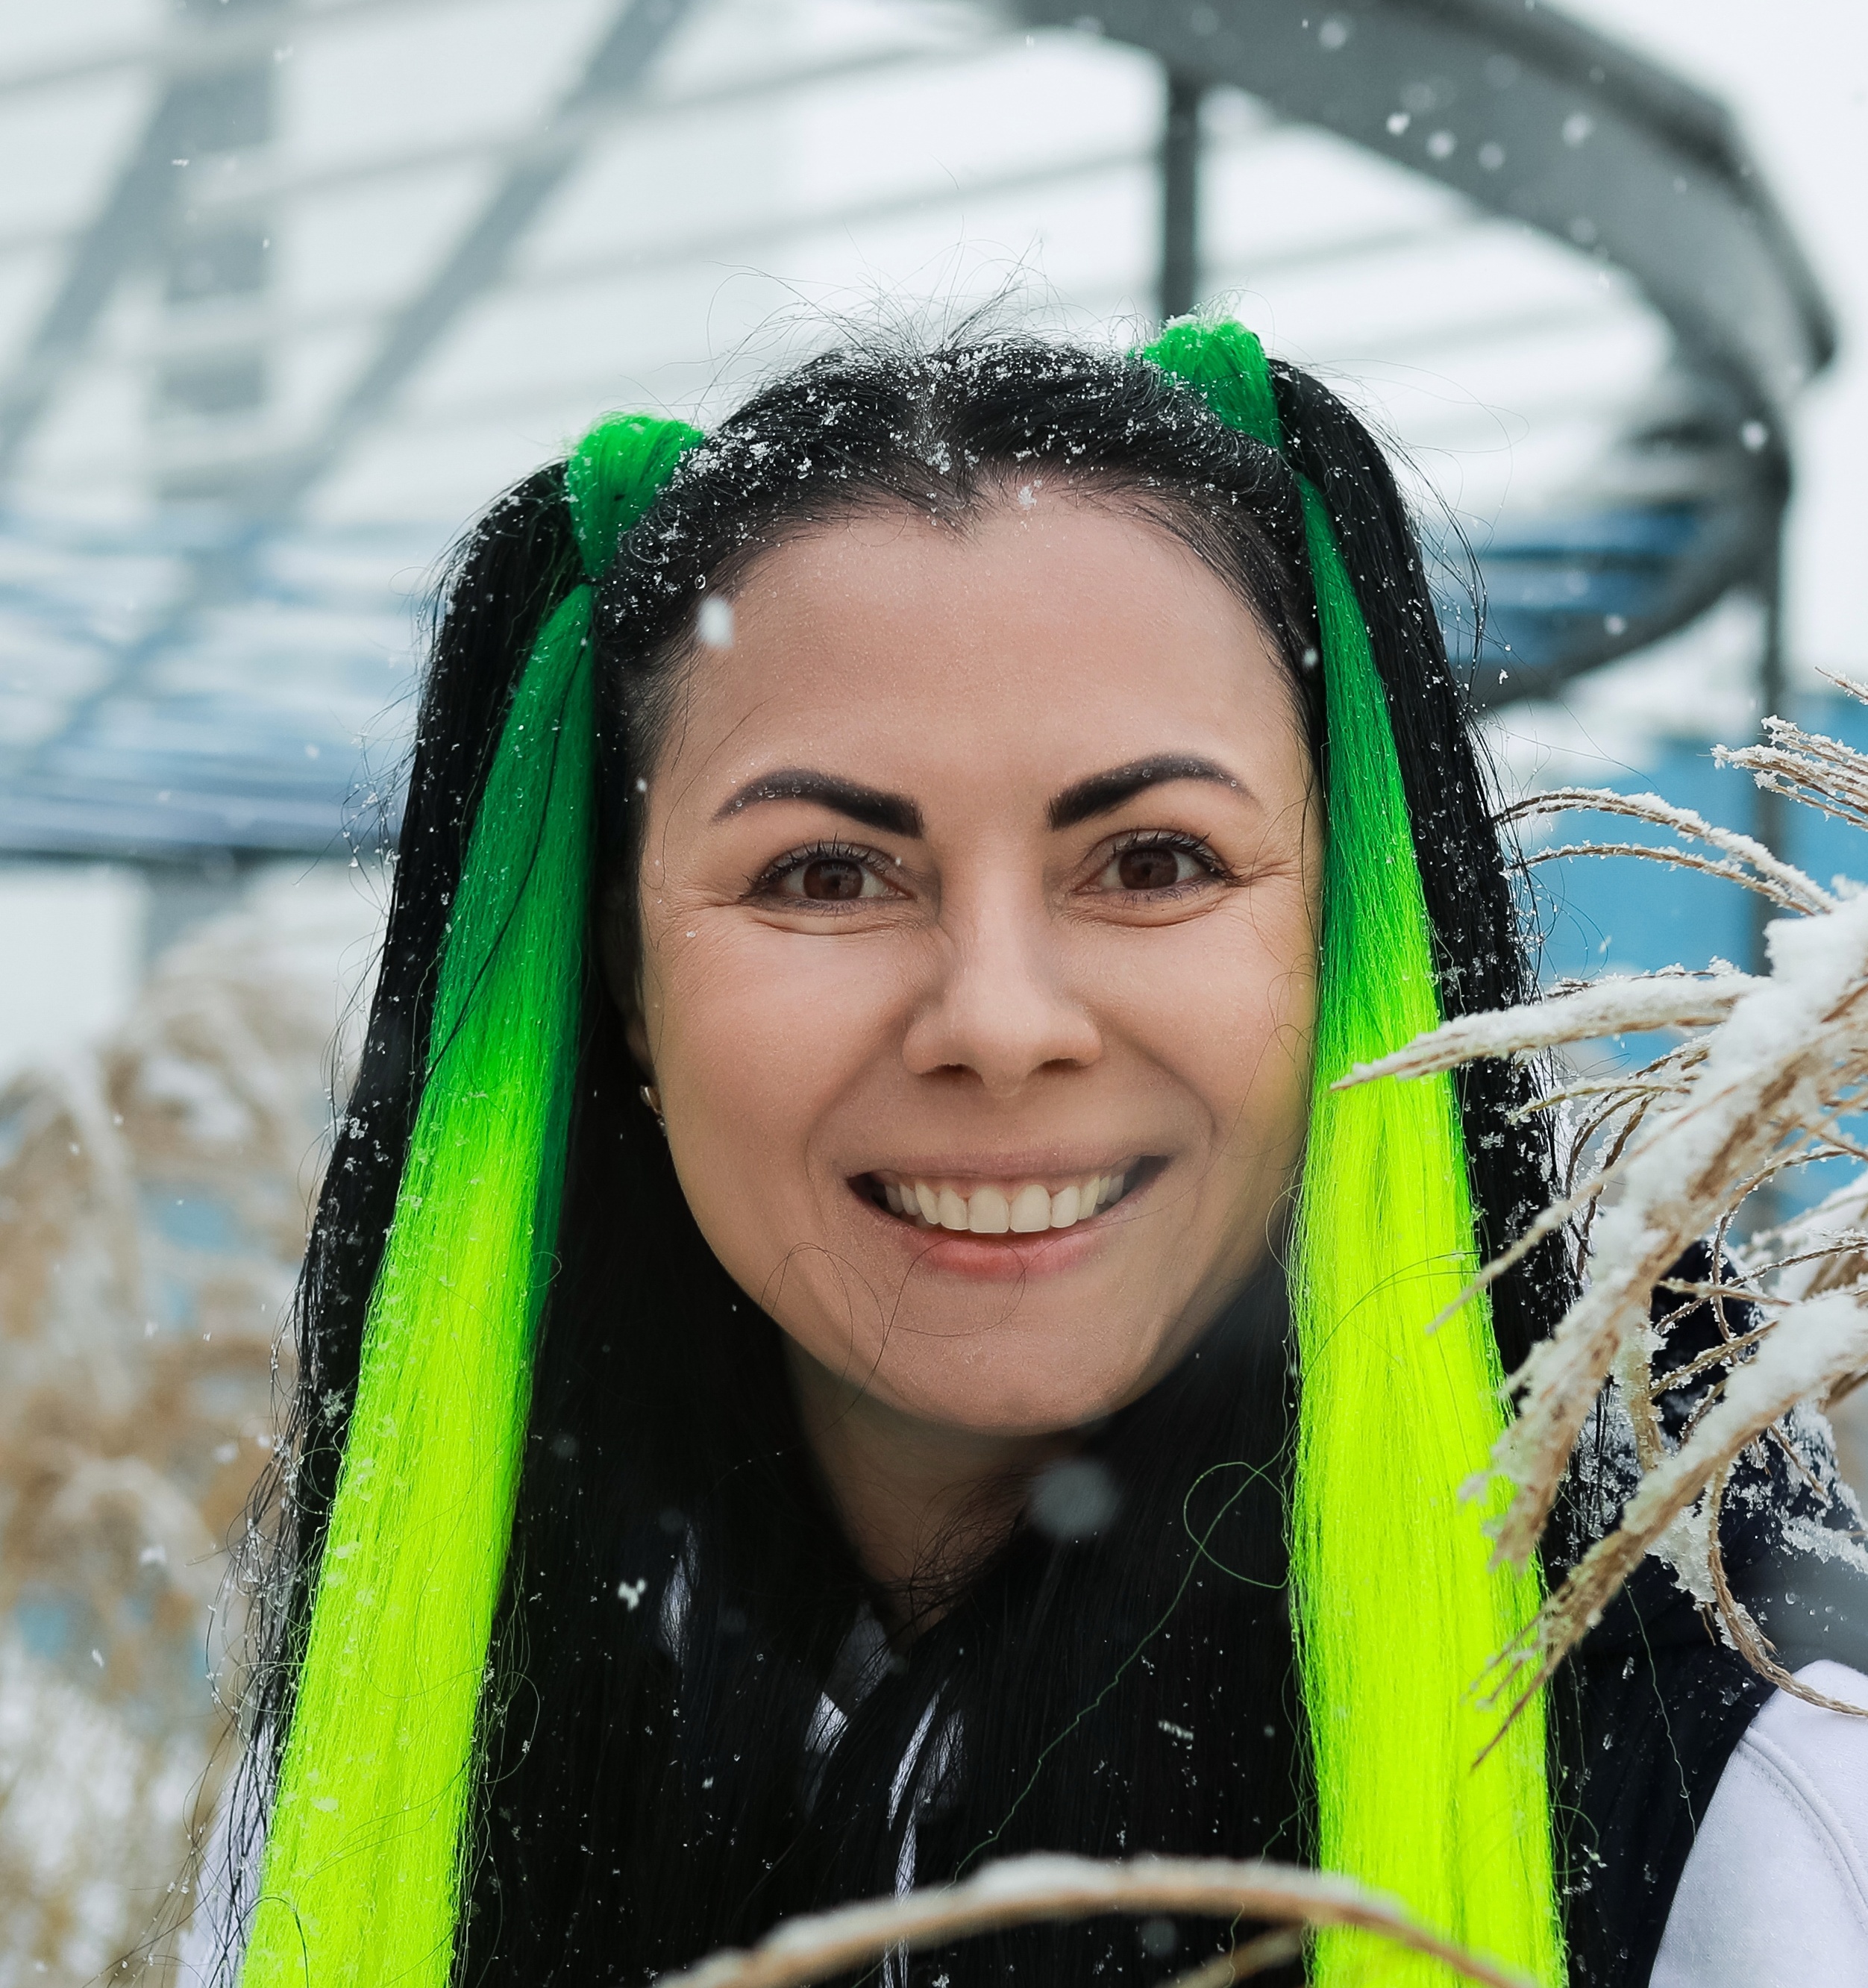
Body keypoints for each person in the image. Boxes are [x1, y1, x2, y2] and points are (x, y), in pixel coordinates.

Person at [203, 322, 1868, 1988]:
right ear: (619, 985)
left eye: (1152, 859)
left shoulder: (1744, 1780)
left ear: (1350, 931)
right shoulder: (420, 1738)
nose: (997, 1023)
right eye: (825, 874)